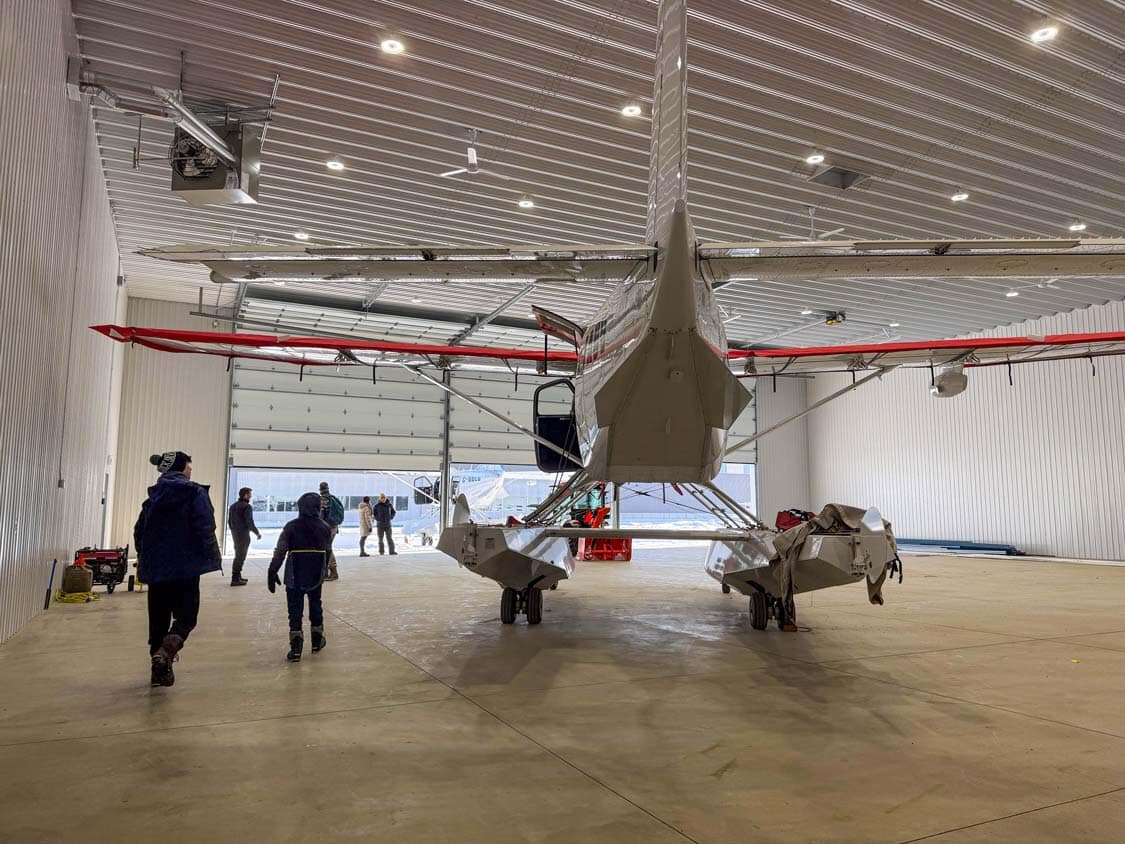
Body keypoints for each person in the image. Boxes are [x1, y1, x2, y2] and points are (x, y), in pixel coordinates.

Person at [133, 451, 222, 687]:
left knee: (158, 620)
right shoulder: (194, 493)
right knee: (186, 618)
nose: (191, 470)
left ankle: (158, 669)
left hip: (157, 570)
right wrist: (214, 556)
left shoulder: (153, 497)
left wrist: (145, 558)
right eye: (189, 466)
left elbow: (139, 531)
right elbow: (205, 527)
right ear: (182, 467)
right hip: (185, 568)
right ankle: (166, 653)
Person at [268, 492, 331, 662]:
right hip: (315, 574)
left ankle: (296, 648)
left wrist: (272, 570)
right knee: (316, 605)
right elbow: (328, 551)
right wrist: (324, 570)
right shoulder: (324, 527)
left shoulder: (291, 526)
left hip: (294, 574)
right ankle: (317, 641)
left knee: (294, 610)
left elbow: (281, 550)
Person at [226, 486, 261, 586]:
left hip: (235, 534)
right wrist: (257, 533)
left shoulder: (233, 506)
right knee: (241, 556)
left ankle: (237, 576)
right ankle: (235, 579)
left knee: (238, 555)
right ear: (246, 495)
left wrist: (234, 531)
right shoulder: (246, 506)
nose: (251, 495)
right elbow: (249, 522)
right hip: (243, 535)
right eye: (250, 494)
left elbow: (229, 522)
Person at [318, 481, 344, 580]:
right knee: (327, 548)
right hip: (334, 527)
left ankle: (333, 572)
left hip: (326, 528)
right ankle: (327, 572)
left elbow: (321, 516)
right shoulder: (333, 498)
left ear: (320, 489)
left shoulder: (322, 500)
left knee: (327, 549)